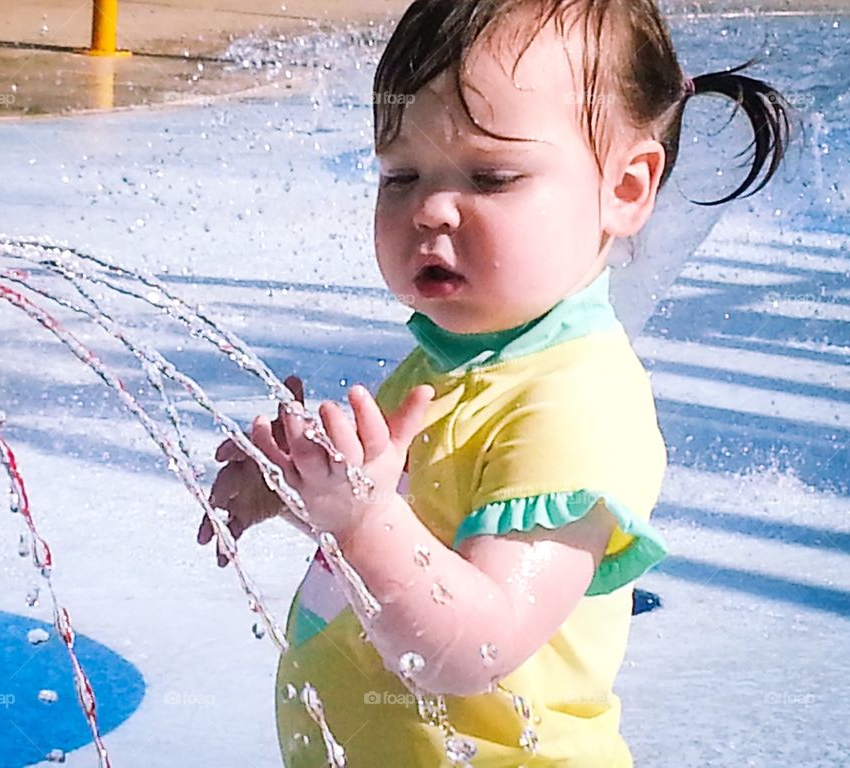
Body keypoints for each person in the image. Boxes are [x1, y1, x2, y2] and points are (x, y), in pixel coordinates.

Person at [198, 1, 790, 764]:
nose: (430, 209)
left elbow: (477, 643)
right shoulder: (451, 360)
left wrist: (361, 517)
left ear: (628, 187)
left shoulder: (574, 406)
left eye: (491, 176)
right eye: (401, 175)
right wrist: (306, 491)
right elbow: (413, 545)